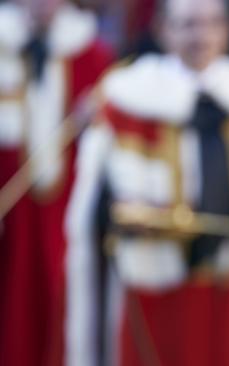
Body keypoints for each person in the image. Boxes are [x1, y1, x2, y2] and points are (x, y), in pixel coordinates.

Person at [64, 0, 229, 365]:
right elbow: (94, 201)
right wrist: (124, 216)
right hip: (155, 288)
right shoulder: (125, 98)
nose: (201, 36)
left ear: (228, 30)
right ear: (163, 30)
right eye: (189, 24)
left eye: (211, 24)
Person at [0, 1, 113, 365]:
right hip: (9, 207)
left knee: (57, 293)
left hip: (62, 209)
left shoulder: (91, 53)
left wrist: (94, 118)